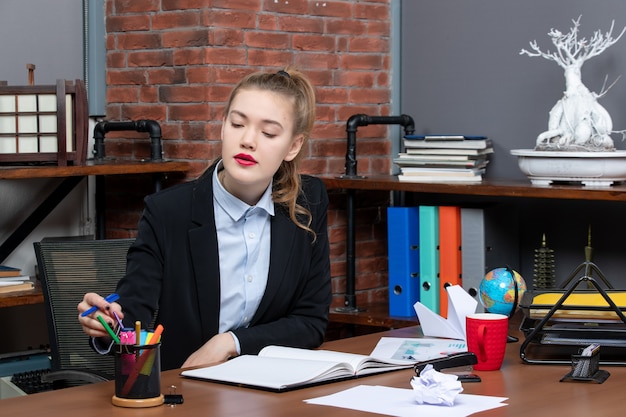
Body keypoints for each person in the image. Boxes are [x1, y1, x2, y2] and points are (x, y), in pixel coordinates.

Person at [77, 67, 331, 371]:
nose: (248, 140)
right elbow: (133, 314)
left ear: (293, 146)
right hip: (187, 391)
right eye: (237, 124)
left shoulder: (308, 201)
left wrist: (230, 342)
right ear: (223, 127)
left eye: (268, 132)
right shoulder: (168, 211)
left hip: (269, 389)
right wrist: (108, 323)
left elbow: (311, 321)